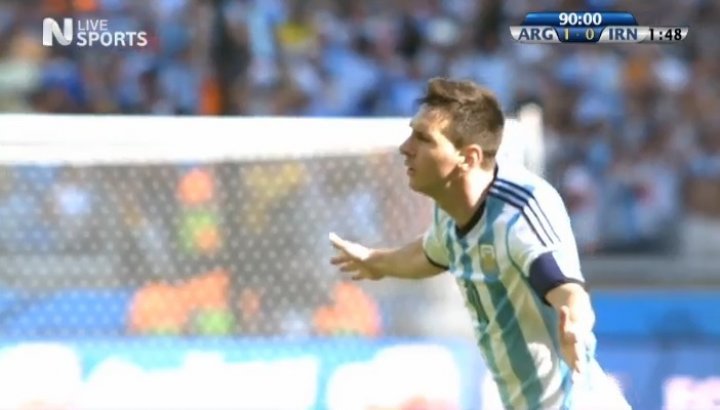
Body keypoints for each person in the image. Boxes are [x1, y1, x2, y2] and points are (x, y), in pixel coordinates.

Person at [329, 78, 630, 410]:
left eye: (423, 138)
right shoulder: (451, 208)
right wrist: (378, 262)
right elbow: (430, 253)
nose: (405, 147)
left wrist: (574, 322)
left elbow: (565, 288)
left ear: (468, 157)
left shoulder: (521, 210)